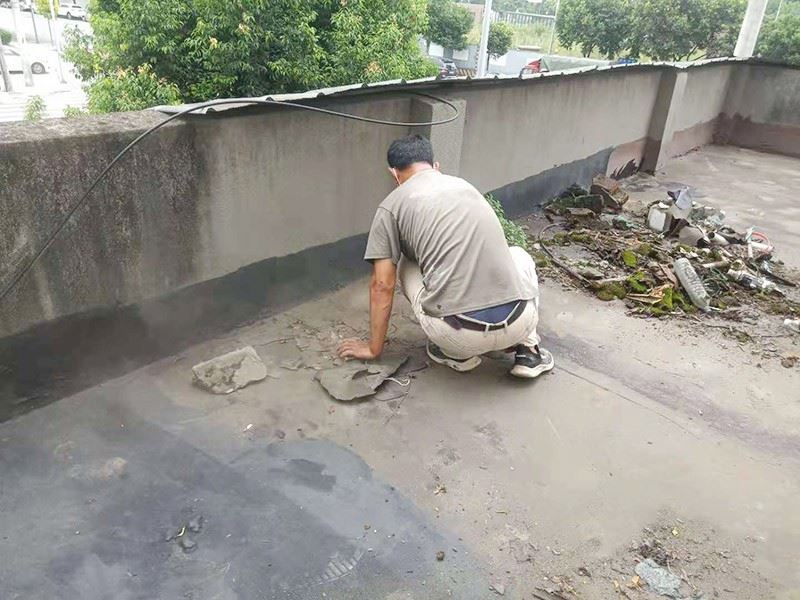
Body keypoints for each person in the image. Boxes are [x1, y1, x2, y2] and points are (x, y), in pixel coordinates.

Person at [337, 134, 554, 378]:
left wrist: (373, 348)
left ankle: (457, 354)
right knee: (518, 254)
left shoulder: (391, 206)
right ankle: (529, 350)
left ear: (394, 174)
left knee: (406, 263)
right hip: (520, 322)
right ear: (436, 166)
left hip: (460, 335)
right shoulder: (465, 186)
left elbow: (382, 284)